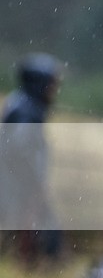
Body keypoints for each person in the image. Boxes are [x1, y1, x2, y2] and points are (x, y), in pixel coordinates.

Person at [0, 52, 64, 263]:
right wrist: (34, 186)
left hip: (15, 187)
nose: (54, 91)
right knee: (41, 235)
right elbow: (19, 150)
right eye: (50, 85)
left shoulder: (22, 106)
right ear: (39, 83)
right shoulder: (26, 111)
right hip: (14, 189)